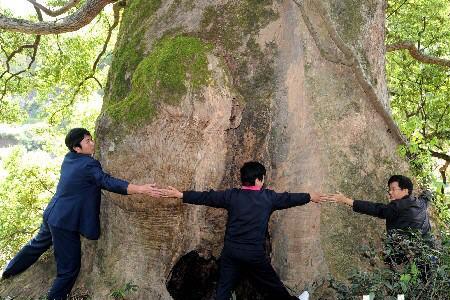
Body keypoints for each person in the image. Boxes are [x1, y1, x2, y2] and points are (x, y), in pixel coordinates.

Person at [1, 128, 162, 300]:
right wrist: (140, 189)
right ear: (77, 148)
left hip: (52, 214)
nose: (92, 143)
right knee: (69, 269)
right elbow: (106, 181)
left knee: (36, 246)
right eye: (87, 141)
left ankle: (8, 272)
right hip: (65, 222)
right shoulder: (88, 164)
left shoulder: (69, 159)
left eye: (91, 139)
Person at [159, 161, 323, 300]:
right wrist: (310, 197)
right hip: (254, 254)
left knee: (223, 290)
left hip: (231, 252)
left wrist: (181, 194)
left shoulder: (232, 196)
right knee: (273, 285)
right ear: (259, 180)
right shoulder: (268, 198)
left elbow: (207, 197)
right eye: (263, 178)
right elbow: (289, 198)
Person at [322, 175, 433, 265]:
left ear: (405, 191)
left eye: (393, 189)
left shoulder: (396, 207)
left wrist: (345, 200)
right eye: (389, 189)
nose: (390, 192)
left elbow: (376, 209)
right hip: (428, 247)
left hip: (410, 252)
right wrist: (428, 191)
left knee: (392, 260)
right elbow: (426, 197)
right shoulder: (420, 202)